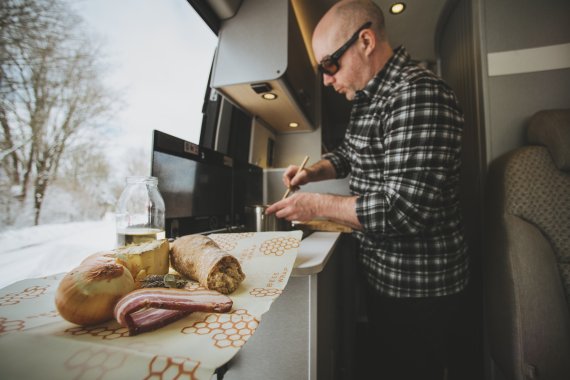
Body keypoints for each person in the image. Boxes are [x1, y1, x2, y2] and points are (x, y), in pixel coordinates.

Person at [265, 1, 470, 379]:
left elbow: (401, 210)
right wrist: (312, 173)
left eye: (330, 65)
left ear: (365, 41)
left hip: (419, 286)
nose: (326, 79)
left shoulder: (417, 94)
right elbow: (349, 154)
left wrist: (314, 205)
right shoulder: (366, 99)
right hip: (382, 272)